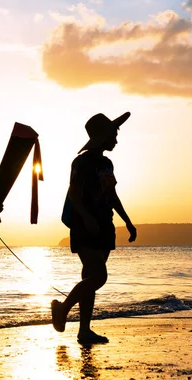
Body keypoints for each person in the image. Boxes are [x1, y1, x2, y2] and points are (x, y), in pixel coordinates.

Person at [51, 112, 137, 345]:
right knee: (98, 276)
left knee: (90, 277)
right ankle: (62, 309)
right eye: (114, 135)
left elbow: (112, 195)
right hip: (84, 227)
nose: (116, 140)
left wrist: (127, 221)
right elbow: (74, 195)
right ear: (103, 136)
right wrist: (87, 218)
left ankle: (84, 331)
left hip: (104, 227)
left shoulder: (106, 163)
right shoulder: (81, 163)